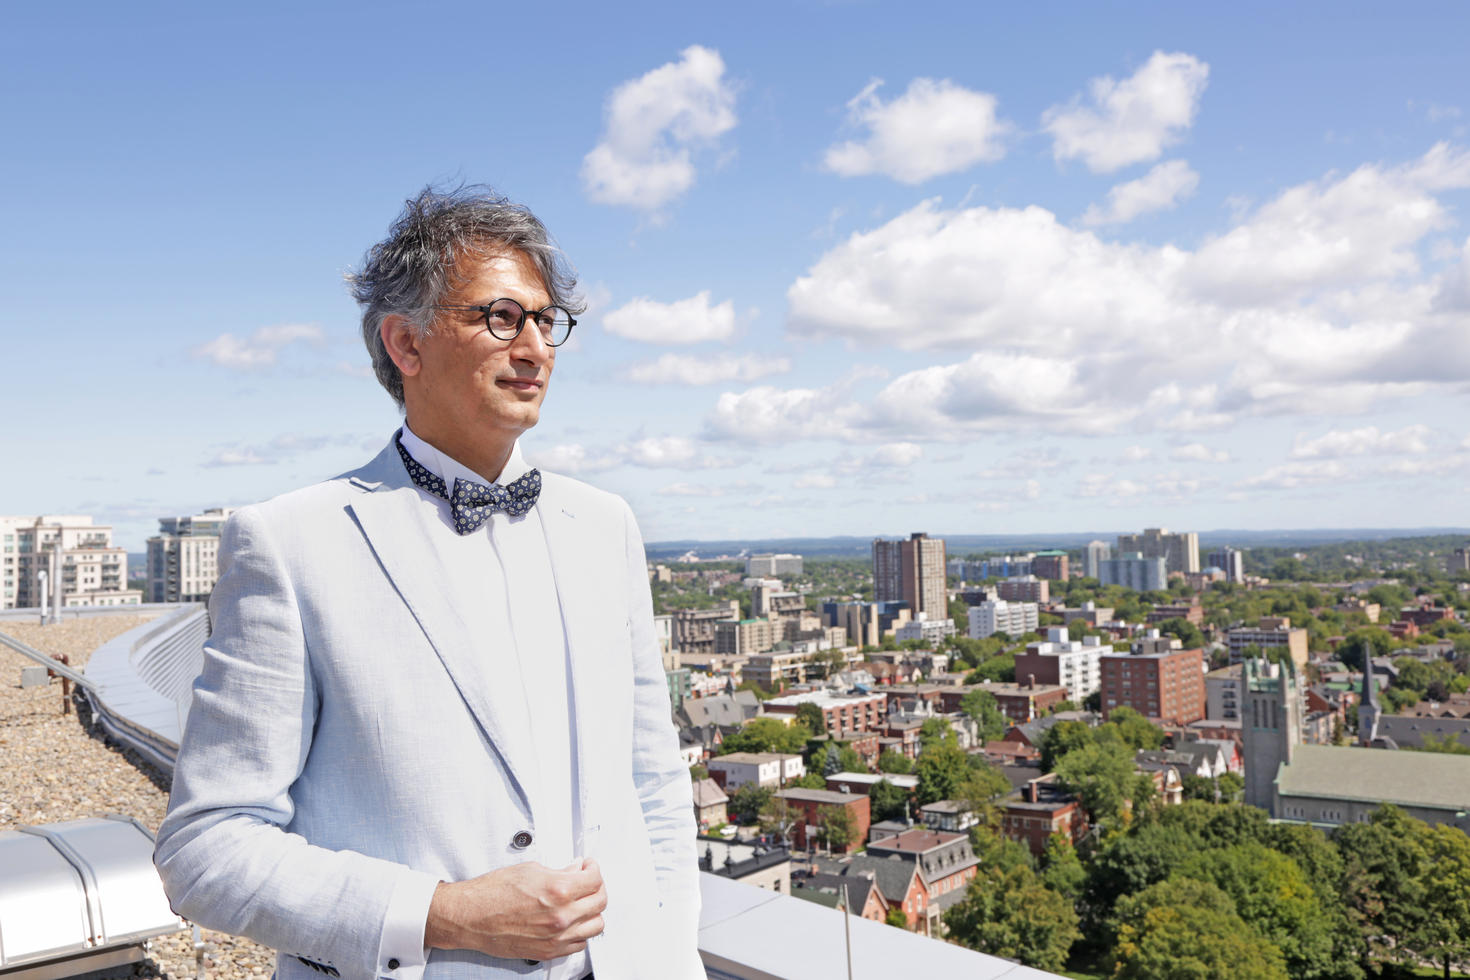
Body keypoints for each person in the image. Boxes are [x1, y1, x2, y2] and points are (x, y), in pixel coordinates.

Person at [155, 187, 703, 980]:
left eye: (546, 321)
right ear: (406, 344)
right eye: (502, 318)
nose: (536, 348)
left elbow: (654, 788)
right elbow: (206, 849)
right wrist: (443, 913)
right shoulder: (289, 543)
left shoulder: (606, 525)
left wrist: (671, 959)